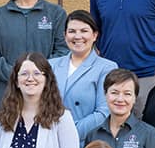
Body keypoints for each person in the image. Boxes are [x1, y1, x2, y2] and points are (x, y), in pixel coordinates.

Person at [49, 10, 117, 139]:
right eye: (72, 31)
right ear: (65, 35)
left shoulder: (107, 67)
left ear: (95, 35)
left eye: (84, 31)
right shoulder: (51, 66)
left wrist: (69, 133)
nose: (77, 36)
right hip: (51, 141)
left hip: (86, 144)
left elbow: (104, 112)